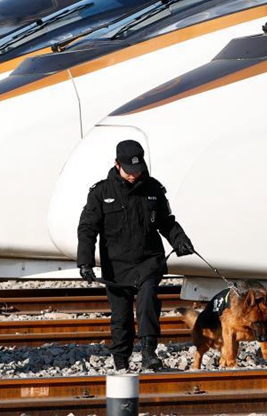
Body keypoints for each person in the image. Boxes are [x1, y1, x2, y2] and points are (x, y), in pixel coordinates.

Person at [77, 140, 194, 372]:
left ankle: (149, 353)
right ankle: (121, 362)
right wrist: (85, 262)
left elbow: (166, 222)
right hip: (116, 265)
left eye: (138, 169)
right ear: (116, 164)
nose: (134, 175)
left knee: (148, 302)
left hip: (148, 261)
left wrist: (180, 240)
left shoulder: (153, 190)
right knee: (120, 318)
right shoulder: (101, 192)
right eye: (129, 171)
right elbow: (87, 228)